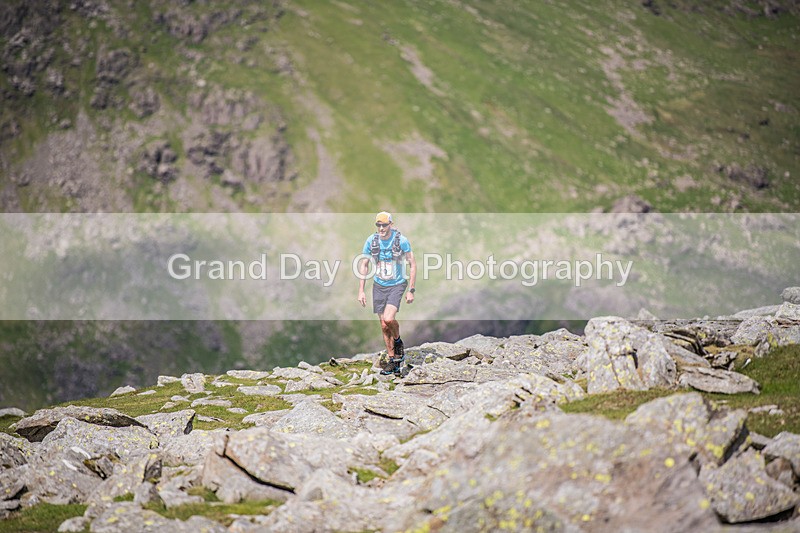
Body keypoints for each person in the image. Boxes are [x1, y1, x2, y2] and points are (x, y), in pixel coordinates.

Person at [357, 212, 416, 375]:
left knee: (389, 319)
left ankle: (398, 341)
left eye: (384, 225)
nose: (381, 228)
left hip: (397, 285)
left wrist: (411, 290)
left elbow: (412, 264)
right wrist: (361, 290)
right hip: (379, 286)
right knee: (383, 325)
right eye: (379, 225)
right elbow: (364, 265)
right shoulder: (371, 241)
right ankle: (394, 362)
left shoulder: (401, 241)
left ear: (391, 224)